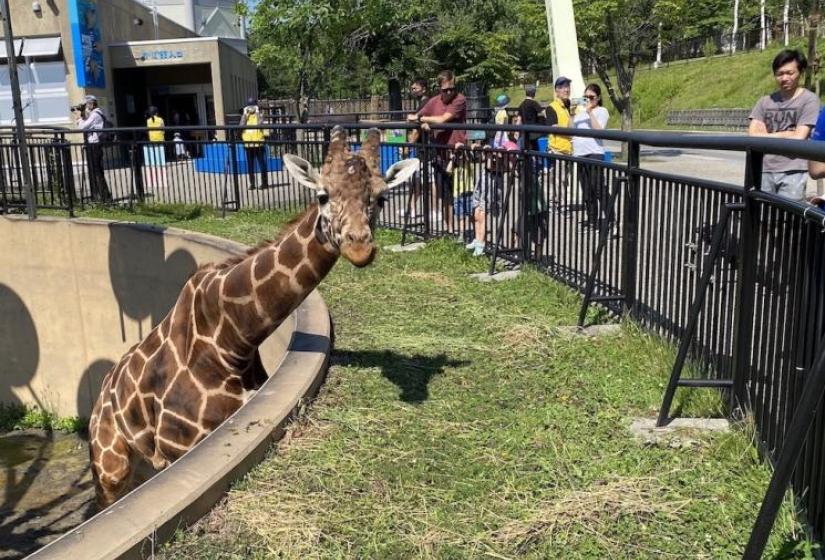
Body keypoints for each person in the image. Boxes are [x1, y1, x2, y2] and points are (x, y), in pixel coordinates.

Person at [749, 49, 819, 201]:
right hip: (764, 168)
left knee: (787, 218)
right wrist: (787, 133)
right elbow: (753, 136)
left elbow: (799, 137)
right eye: (780, 74)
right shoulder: (765, 101)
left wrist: (767, 136)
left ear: (799, 72)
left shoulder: (809, 100)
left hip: (794, 170)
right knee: (762, 216)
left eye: (790, 73)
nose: (784, 78)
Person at [408, 70, 467, 231]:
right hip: (440, 154)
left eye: (452, 89)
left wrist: (424, 120)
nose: (449, 93)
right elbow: (412, 117)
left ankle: (463, 232)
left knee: (462, 195)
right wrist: (422, 123)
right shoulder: (434, 101)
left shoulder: (460, 99)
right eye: (445, 90)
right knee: (445, 195)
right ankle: (450, 230)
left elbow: (442, 119)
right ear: (439, 88)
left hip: (458, 153)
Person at [468, 131, 519, 257]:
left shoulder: (510, 146)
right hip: (485, 177)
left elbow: (509, 167)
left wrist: (500, 155)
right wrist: (481, 149)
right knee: (476, 210)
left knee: (483, 211)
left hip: (495, 179)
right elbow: (485, 161)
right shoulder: (495, 142)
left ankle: (481, 242)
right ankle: (477, 237)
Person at [572, 83, 611, 232]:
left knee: (599, 188)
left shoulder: (601, 111)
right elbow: (569, 128)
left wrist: (589, 112)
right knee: (587, 190)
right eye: (585, 97)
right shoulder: (580, 114)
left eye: (591, 97)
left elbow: (598, 130)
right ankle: (592, 220)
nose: (588, 100)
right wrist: (571, 113)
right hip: (580, 154)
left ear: (598, 98)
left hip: (594, 152)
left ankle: (611, 220)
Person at [76, 95, 112, 202]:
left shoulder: (95, 114)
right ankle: (101, 195)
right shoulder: (95, 113)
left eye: (87, 104)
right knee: (96, 171)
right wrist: (83, 115)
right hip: (94, 145)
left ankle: (104, 197)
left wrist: (79, 119)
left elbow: (82, 127)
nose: (86, 106)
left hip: (94, 145)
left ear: (92, 104)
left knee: (96, 172)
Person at [546, 76, 574, 209]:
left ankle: (555, 202)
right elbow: (554, 128)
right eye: (563, 87)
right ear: (557, 90)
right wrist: (569, 131)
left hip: (567, 148)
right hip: (557, 149)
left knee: (563, 179)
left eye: (568, 86)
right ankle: (561, 204)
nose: (567, 89)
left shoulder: (568, 106)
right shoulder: (552, 107)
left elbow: (571, 126)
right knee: (559, 179)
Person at [240, 97, 269, 190]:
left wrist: (257, 112)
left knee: (262, 164)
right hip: (248, 144)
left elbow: (260, 123)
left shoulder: (260, 114)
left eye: (253, 105)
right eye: (249, 106)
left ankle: (264, 183)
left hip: (259, 144)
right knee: (250, 165)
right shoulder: (245, 116)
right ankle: (252, 183)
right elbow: (241, 126)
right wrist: (245, 114)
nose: (251, 108)